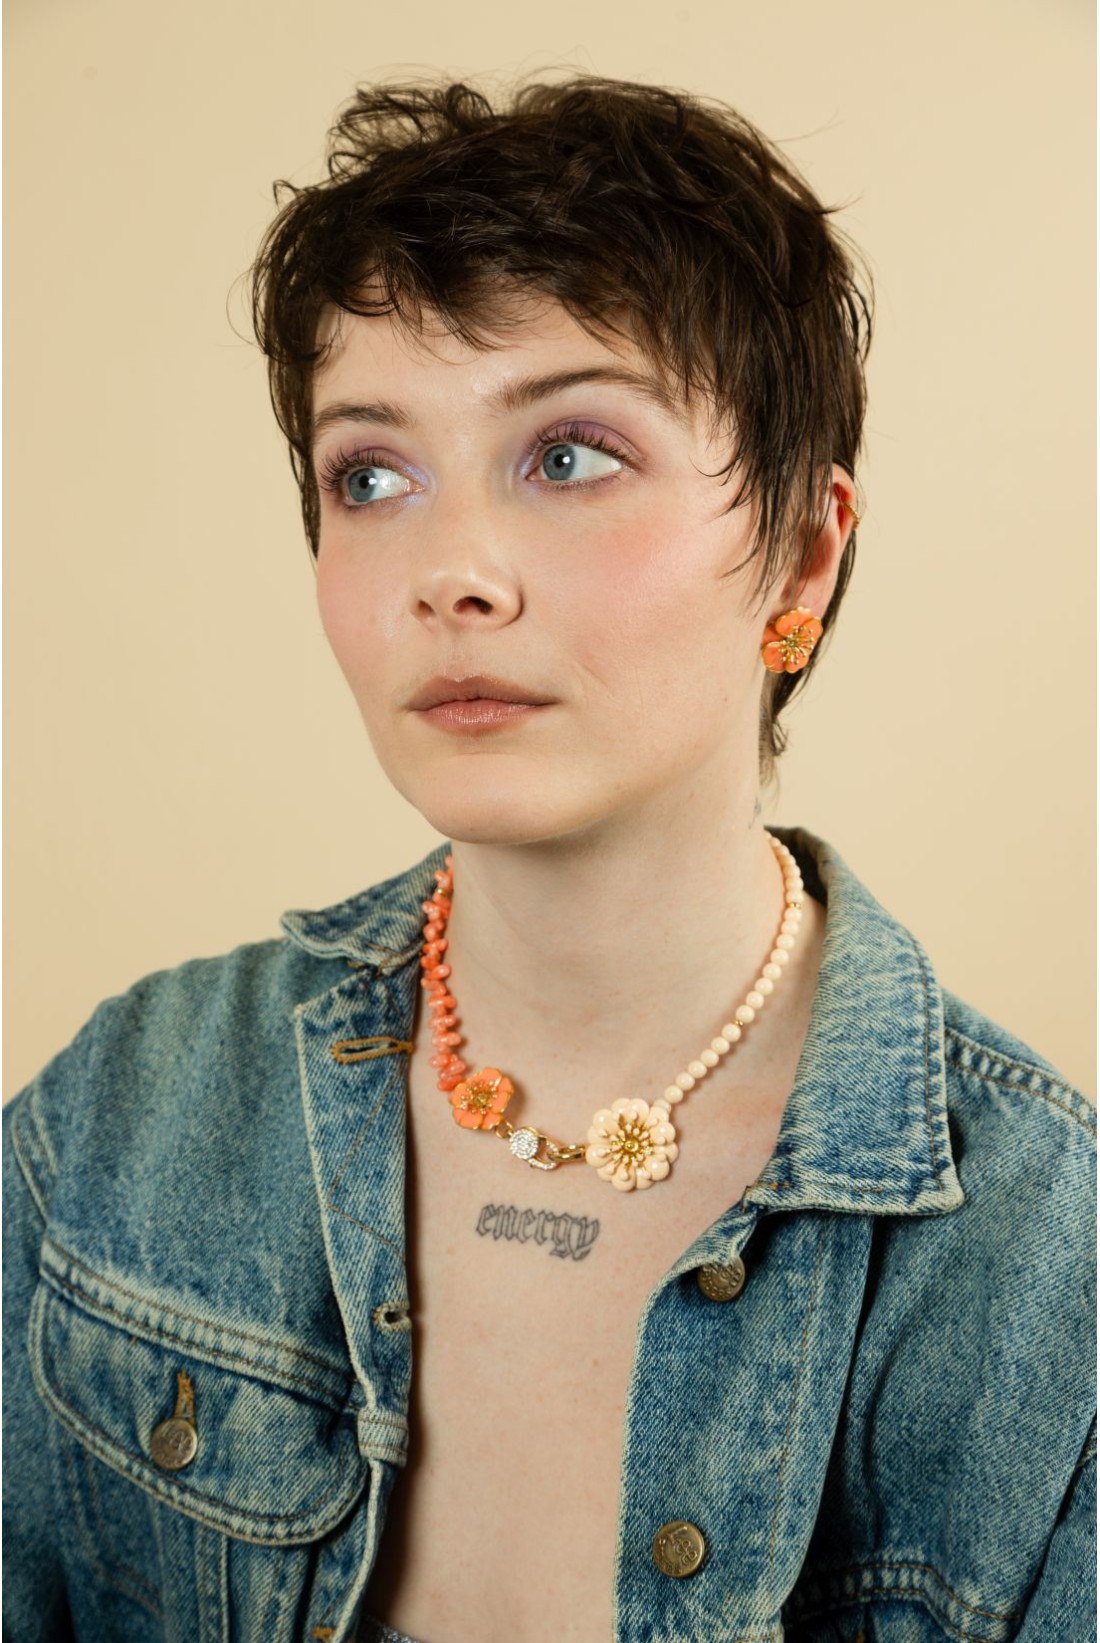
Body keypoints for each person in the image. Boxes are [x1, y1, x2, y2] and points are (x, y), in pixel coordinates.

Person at [2, 73, 1094, 1643]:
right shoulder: (124, 1116)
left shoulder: (1048, 1269)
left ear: (802, 550)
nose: (451, 573)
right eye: (371, 475)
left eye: (569, 454)